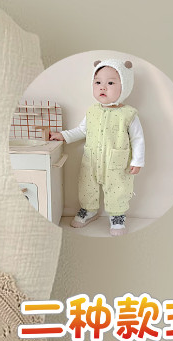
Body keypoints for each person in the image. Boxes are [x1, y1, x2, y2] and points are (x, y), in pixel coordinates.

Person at [50, 58, 145, 236]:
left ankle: (117, 215)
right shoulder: (92, 111)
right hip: (91, 161)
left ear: (124, 86)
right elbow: (82, 130)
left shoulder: (128, 114)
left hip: (117, 163)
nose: (103, 87)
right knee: (87, 186)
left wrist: (137, 161)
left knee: (118, 188)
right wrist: (63, 135)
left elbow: (138, 139)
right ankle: (89, 210)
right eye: (98, 82)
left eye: (110, 83)